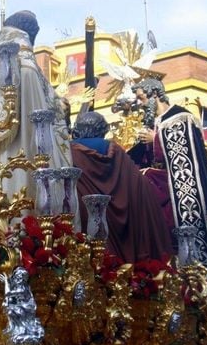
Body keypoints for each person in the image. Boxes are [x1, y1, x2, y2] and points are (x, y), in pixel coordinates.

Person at [130, 78, 207, 264]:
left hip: (184, 189)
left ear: (155, 94)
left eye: (142, 98)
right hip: (162, 186)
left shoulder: (181, 117)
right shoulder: (154, 123)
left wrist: (155, 139)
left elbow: (187, 155)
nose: (140, 104)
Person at [0, 10, 71, 196]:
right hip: (21, 148)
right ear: (31, 32)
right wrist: (59, 107)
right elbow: (35, 101)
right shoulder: (21, 49)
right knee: (21, 202)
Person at [71, 111, 173, 262]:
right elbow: (139, 185)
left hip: (84, 227)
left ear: (77, 128)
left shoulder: (69, 152)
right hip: (125, 235)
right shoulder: (116, 151)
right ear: (103, 129)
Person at [0, 267, 44, 345]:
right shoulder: (18, 287)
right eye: (17, 277)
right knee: (10, 310)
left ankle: (22, 332)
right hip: (20, 308)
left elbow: (8, 293)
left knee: (12, 311)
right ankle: (17, 331)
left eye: (20, 278)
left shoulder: (23, 289)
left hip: (26, 310)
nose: (18, 279)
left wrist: (6, 282)